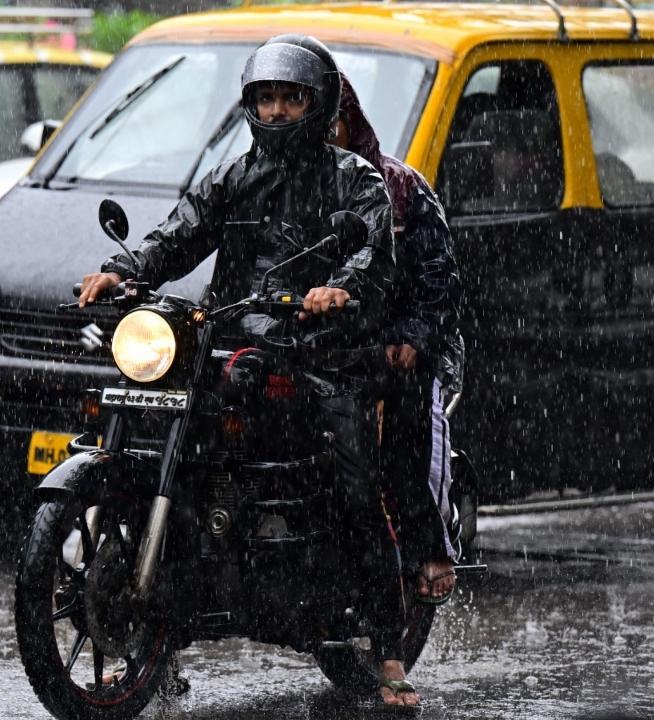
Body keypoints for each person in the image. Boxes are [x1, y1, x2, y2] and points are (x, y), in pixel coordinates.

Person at [77, 38, 422, 711]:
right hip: (234, 342)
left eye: (290, 96)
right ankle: (159, 642)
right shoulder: (231, 177)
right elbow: (180, 233)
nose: (277, 107)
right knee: (178, 444)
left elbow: (373, 248)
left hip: (323, 352)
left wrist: (338, 289)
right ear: (250, 104)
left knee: (353, 487)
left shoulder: (355, 178)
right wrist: (126, 272)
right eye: (267, 96)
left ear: (316, 102)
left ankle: (386, 649)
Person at [324, 67, 464, 606]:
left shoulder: (401, 187)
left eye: (331, 117)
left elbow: (438, 276)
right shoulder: (273, 186)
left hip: (398, 352)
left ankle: (430, 545)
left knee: (410, 436)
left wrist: (412, 336)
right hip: (318, 351)